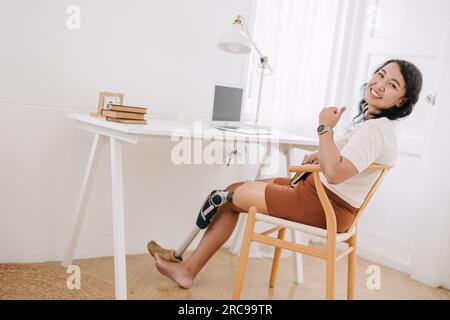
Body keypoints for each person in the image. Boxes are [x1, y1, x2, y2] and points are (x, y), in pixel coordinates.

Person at [151, 59, 423, 289]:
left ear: (402, 100)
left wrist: (324, 127)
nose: (380, 84)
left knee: (224, 197)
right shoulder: (374, 125)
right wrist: (323, 151)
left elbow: (336, 173)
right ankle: (184, 263)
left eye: (392, 85)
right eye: (380, 74)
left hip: (322, 205)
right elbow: (339, 160)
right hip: (317, 196)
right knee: (233, 188)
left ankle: (185, 267)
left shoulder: (376, 130)